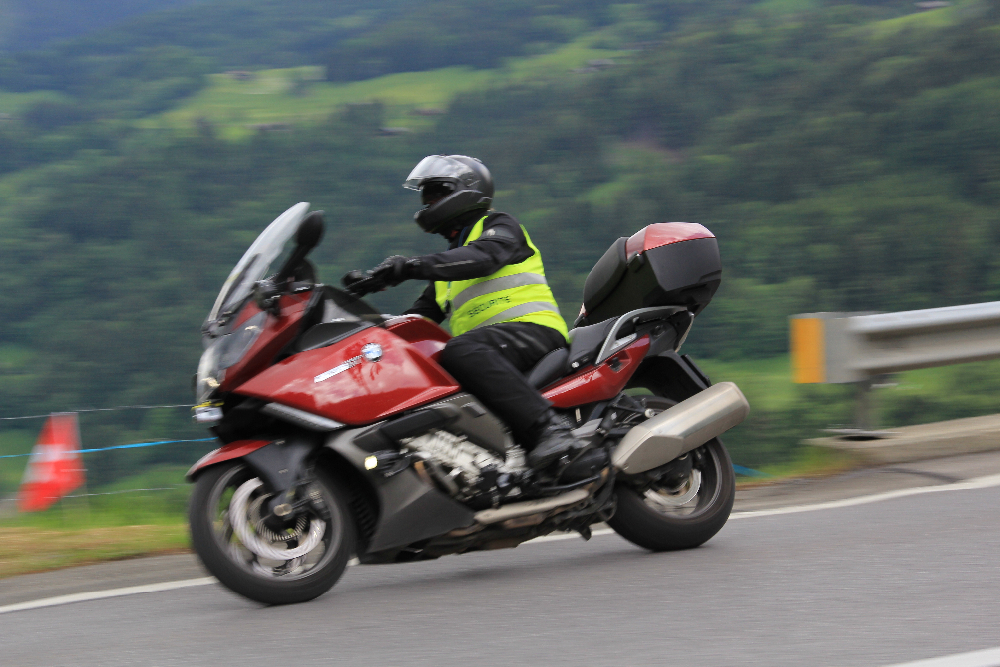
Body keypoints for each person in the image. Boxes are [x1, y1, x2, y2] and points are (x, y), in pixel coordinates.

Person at [351, 155, 584, 472]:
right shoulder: (445, 273)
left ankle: (550, 427)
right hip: (490, 351)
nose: (428, 202)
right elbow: (414, 324)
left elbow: (483, 257)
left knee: (458, 350)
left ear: (466, 191)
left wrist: (409, 267)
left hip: (533, 332)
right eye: (426, 196)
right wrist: (359, 331)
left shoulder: (499, 226)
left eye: (437, 193)